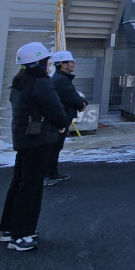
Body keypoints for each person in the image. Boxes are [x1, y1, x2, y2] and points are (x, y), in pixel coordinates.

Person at [0, 42, 68, 252]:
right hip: (38, 139)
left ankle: (10, 228)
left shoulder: (20, 81)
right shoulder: (41, 82)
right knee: (31, 187)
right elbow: (54, 107)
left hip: (23, 139)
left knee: (19, 183)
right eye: (47, 60)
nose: (49, 64)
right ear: (40, 62)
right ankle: (21, 235)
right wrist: (62, 124)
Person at [46, 50, 86, 185]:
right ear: (63, 65)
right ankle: (49, 174)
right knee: (54, 147)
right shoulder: (62, 81)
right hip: (62, 117)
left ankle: (52, 173)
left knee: (56, 146)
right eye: (71, 62)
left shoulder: (59, 79)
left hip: (62, 116)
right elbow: (72, 97)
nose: (73, 64)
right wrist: (82, 103)